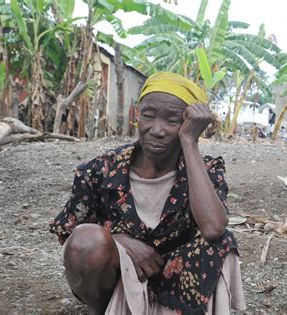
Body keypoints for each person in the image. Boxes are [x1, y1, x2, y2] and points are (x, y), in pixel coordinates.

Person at [49, 72, 246, 315]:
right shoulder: (101, 170)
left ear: (189, 125)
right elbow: (69, 234)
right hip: (118, 280)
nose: (157, 130)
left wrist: (190, 143)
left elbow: (213, 227)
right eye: (148, 116)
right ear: (138, 116)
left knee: (222, 241)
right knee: (87, 241)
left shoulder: (205, 170)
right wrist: (119, 240)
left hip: (176, 290)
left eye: (172, 121)